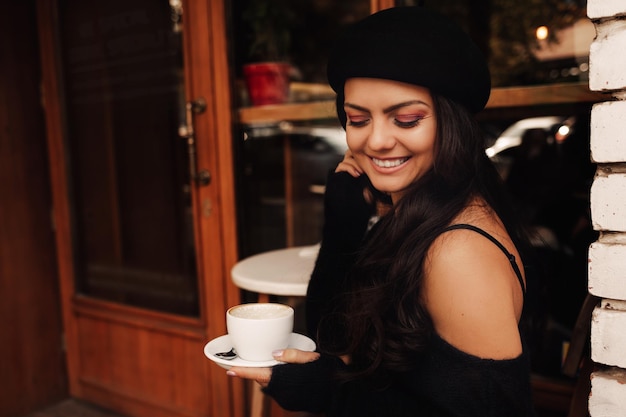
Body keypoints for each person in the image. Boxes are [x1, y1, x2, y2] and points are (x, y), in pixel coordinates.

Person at [228, 6, 538, 416]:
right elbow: (336, 337)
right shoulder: (416, 214)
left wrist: (323, 390)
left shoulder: (457, 252)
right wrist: (343, 223)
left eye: (406, 119)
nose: (376, 140)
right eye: (357, 119)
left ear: (452, 124)